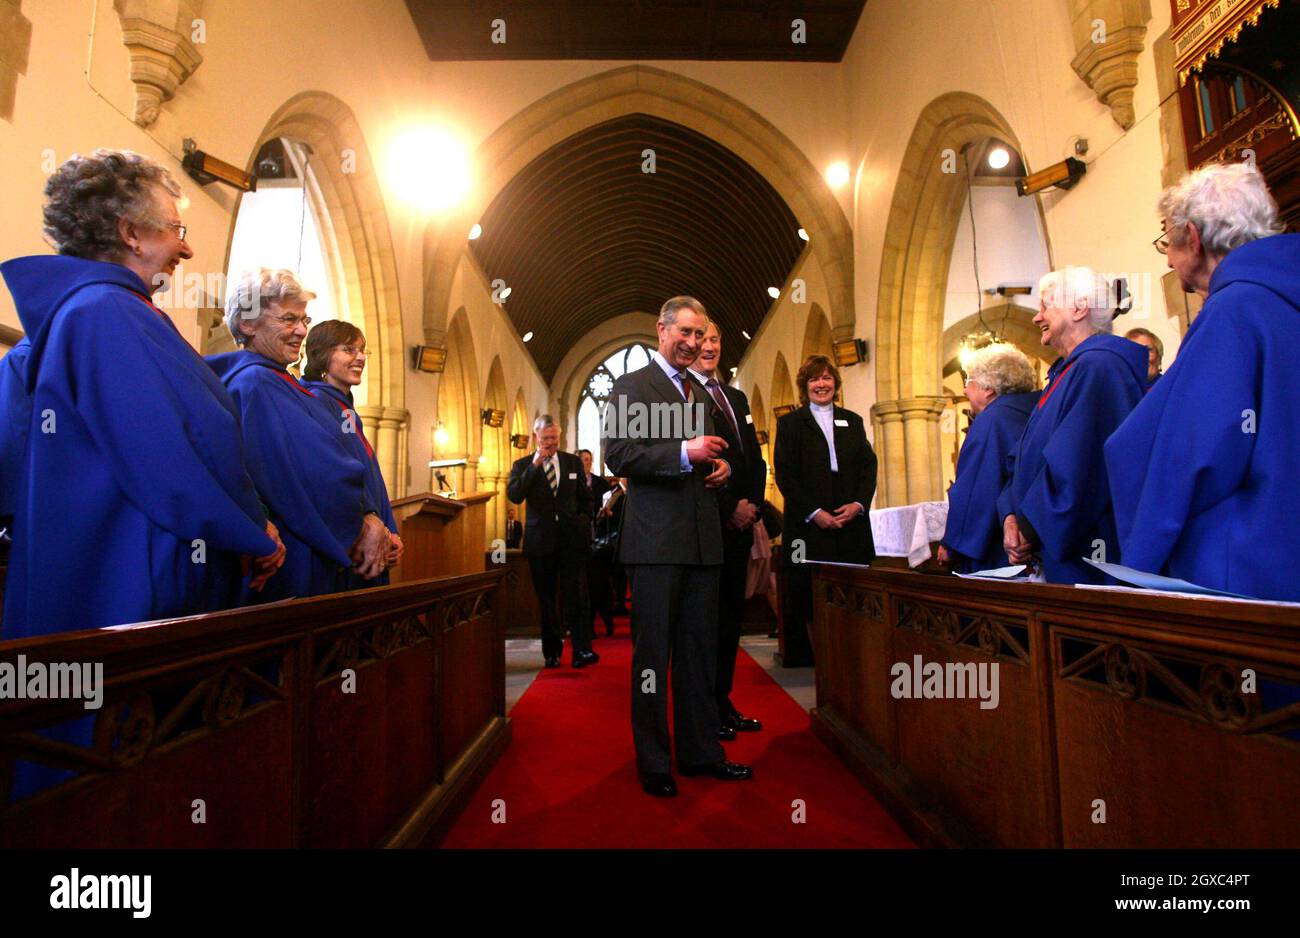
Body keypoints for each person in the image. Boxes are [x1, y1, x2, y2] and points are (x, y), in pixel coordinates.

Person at [0, 149, 284, 638]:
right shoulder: (108, 312)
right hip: (127, 579)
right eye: (178, 230)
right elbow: (168, 454)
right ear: (131, 233)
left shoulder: (87, 312)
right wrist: (250, 528)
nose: (187, 250)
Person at [1106, 163, 1298, 600]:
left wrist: (1139, 561)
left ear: (1192, 238)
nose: (1170, 261)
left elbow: (1193, 451)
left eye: (1167, 246)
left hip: (1251, 571)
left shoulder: (1232, 309)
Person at [603, 295, 751, 797]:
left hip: (704, 542)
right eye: (683, 333)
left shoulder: (702, 394)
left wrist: (721, 468)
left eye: (699, 335)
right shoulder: (633, 386)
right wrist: (685, 454)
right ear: (661, 330)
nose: (692, 343)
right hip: (655, 544)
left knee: (698, 654)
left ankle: (701, 752)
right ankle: (655, 762)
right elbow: (618, 452)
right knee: (652, 659)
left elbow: (710, 454)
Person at [209, 269, 390, 602]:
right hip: (291, 566)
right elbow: (313, 471)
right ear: (248, 324)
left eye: (304, 320)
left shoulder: (276, 381)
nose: (301, 331)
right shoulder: (257, 383)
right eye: (289, 319)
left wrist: (374, 516)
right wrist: (365, 520)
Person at [998, 267, 1147, 584]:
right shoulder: (1068, 372)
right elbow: (1023, 457)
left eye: (1046, 306)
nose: (1037, 318)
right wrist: (1011, 515)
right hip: (1049, 540)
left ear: (1079, 308)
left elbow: (1079, 470)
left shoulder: (1100, 367)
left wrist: (1028, 528)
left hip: (1087, 554)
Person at [690, 319, 766, 737]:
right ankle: (705, 708)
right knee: (706, 624)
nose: (709, 346)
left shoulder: (735, 397)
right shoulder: (684, 396)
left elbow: (754, 457)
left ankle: (723, 700)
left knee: (730, 620)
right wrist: (729, 508)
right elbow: (697, 467)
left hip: (740, 526)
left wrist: (752, 506)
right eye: (701, 338)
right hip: (709, 526)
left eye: (716, 338)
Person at [774, 354, 876, 663]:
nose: (822, 384)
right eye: (815, 379)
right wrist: (815, 512)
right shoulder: (791, 424)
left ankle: (853, 662)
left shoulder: (853, 420)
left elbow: (867, 467)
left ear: (836, 383)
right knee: (810, 597)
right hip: (808, 526)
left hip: (850, 525)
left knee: (852, 594)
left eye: (827, 378)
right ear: (805, 387)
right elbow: (786, 475)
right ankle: (825, 666)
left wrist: (859, 504)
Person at [300, 319, 403, 587]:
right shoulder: (317, 402)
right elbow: (336, 475)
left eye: (362, 350)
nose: (360, 358)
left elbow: (371, 477)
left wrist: (391, 531)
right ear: (322, 356)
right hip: (350, 547)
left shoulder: (344, 408)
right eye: (348, 349)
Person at [938, 344, 1039, 573]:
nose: (965, 391)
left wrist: (952, 545)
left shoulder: (991, 421)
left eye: (969, 382)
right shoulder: (1038, 410)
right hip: (1032, 540)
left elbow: (976, 491)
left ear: (988, 389)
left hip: (998, 550)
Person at [506, 415, 596, 668]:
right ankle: (552, 653)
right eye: (545, 439)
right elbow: (514, 495)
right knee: (547, 600)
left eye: (554, 438)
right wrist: (534, 465)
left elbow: (586, 498)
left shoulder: (571, 463)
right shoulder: (522, 465)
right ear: (535, 437)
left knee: (576, 597)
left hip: (571, 542)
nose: (550, 443)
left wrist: (582, 520)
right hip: (540, 542)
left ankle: (581, 651)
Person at [576, 448, 613, 637]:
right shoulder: (572, 481)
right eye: (583, 459)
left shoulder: (600, 483)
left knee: (599, 585)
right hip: (579, 540)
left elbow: (609, 506)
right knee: (582, 586)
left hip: (598, 541)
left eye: (589, 459)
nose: (587, 463)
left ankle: (606, 621)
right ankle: (584, 626)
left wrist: (605, 513)